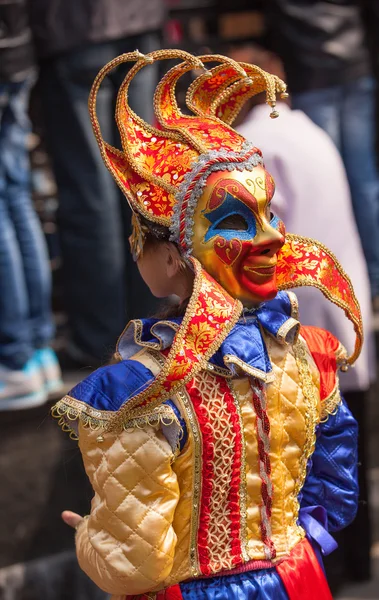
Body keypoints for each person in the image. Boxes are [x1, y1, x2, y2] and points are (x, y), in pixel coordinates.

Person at [53, 49, 362, 599]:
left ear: (168, 258)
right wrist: (292, 545)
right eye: (247, 221)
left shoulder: (134, 391)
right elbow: (336, 496)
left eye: (266, 215)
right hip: (300, 581)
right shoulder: (312, 354)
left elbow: (137, 562)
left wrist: (92, 538)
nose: (269, 236)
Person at [231, 42, 374, 584]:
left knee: (312, 458)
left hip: (298, 318)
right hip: (340, 302)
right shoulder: (308, 128)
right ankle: (355, 565)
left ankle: (329, 572)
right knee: (346, 445)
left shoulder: (251, 145)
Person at [29, 0, 164, 366]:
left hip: (74, 27)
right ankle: (150, 326)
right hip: (137, 18)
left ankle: (100, 338)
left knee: (93, 191)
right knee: (137, 179)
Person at [268, 0, 379, 308]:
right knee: (364, 181)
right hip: (355, 61)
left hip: (310, 69)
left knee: (326, 186)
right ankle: (373, 280)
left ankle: (339, 285)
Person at [0, 0, 62, 410]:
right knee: (16, 198)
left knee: (10, 202)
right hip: (16, 48)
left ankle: (18, 358)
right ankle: (38, 353)